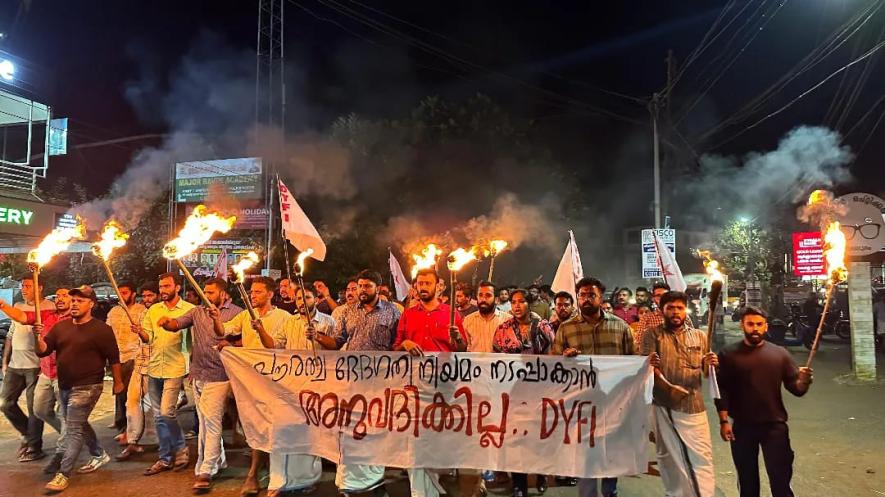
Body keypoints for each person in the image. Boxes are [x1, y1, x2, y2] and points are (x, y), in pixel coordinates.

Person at [715, 306, 813, 497]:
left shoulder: (780, 354)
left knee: (781, 479)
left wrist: (805, 381)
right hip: (742, 428)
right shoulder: (728, 354)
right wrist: (724, 421)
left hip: (774, 427)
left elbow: (797, 389)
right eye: (750, 324)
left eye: (759, 324)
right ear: (742, 325)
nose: (755, 328)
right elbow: (721, 390)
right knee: (747, 481)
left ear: (766, 326)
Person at [34, 285, 124, 492]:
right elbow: (43, 351)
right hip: (65, 384)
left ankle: (63, 474)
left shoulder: (102, 329)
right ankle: (99, 453)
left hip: (89, 385)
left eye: (80, 300)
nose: (74, 303)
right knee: (78, 423)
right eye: (73, 300)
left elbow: (114, 358)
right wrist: (36, 337)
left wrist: (118, 383)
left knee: (73, 428)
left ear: (91, 304)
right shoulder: (60, 327)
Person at [156, 278, 242, 492]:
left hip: (221, 375)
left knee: (212, 423)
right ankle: (218, 461)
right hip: (199, 374)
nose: (206, 295)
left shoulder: (237, 313)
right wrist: (167, 322)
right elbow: (177, 324)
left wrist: (229, 343)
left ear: (223, 294)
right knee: (204, 423)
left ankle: (206, 469)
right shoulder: (197, 311)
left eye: (211, 292)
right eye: (204, 291)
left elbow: (245, 339)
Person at [552, 277, 633, 497]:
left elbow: (633, 362)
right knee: (585, 456)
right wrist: (564, 358)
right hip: (581, 405)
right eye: (582, 295)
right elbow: (553, 365)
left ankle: (610, 493)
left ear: (601, 297)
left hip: (613, 403)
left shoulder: (620, 327)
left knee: (609, 454)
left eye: (591, 295)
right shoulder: (566, 329)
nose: (586, 299)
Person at [394, 268, 468, 497]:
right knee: (415, 436)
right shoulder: (408, 314)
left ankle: (439, 482)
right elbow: (395, 347)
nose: (423, 287)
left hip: (444, 386)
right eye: (419, 283)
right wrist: (405, 343)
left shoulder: (452, 313)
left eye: (428, 283)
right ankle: (419, 490)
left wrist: (457, 339)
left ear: (438, 286)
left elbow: (462, 350)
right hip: (415, 386)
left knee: (440, 434)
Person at [213, 276, 290, 496]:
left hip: (275, 382)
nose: (251, 295)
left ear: (270, 294)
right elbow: (222, 332)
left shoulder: (284, 317)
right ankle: (254, 474)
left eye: (257, 292)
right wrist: (216, 319)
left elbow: (273, 347)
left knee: (274, 428)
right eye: (251, 292)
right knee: (256, 427)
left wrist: (261, 330)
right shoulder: (245, 315)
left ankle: (270, 476)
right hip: (250, 382)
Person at [331, 269, 400, 494]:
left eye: (367, 286)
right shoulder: (346, 312)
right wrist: (317, 336)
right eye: (359, 286)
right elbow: (336, 342)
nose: (362, 290)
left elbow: (397, 345)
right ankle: (347, 482)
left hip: (380, 382)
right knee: (349, 428)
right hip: (350, 380)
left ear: (378, 289)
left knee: (376, 429)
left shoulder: (393, 312)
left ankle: (375, 480)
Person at [642, 291, 716, 497]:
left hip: (694, 406)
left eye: (680, 308)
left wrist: (710, 365)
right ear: (662, 310)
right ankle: (675, 494)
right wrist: (668, 388)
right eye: (671, 308)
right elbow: (648, 367)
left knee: (701, 457)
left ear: (686, 310)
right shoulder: (652, 334)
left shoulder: (700, 336)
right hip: (663, 407)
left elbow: (706, 373)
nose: (676, 312)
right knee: (668, 457)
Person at [266, 285, 334, 496]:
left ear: (315, 298)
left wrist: (319, 337)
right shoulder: (288, 321)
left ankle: (307, 478)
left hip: (318, 385)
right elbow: (274, 346)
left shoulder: (327, 321)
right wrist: (260, 329)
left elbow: (336, 348)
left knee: (311, 431)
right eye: (298, 297)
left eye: (307, 296)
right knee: (283, 428)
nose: (302, 300)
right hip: (290, 384)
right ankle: (279, 480)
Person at [131, 272, 195, 476]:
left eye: (167, 286)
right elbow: (149, 338)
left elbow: (194, 341)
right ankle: (165, 457)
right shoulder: (154, 309)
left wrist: (193, 366)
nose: (163, 290)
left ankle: (181, 449)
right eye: (161, 287)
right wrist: (140, 332)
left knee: (167, 412)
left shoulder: (189, 310)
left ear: (177, 287)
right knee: (159, 416)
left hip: (176, 367)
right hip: (154, 367)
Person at [1, 287, 70, 473]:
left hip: (62, 374)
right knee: (37, 409)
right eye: (59, 295)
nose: (60, 299)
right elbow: (22, 318)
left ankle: (61, 452)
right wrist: (3, 305)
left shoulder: (75, 320)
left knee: (64, 414)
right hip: (44, 371)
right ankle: (66, 437)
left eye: (66, 296)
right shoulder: (47, 315)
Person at [493, 288, 555, 497]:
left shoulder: (543, 327)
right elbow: (496, 357)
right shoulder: (503, 328)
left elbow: (553, 355)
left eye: (521, 301)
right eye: (513, 302)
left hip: (540, 390)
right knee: (516, 436)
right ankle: (519, 483)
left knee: (539, 436)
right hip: (513, 392)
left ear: (529, 304)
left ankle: (541, 474)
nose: (516, 306)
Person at [0, 275, 54, 463]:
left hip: (35, 366)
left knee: (34, 409)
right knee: (5, 403)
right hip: (16, 365)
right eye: (23, 285)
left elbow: (32, 325)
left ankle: (34, 446)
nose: (24, 289)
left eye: (28, 286)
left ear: (40, 287)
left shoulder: (48, 308)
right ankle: (27, 434)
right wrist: (5, 360)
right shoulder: (18, 306)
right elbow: (11, 334)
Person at [116, 283, 156, 462]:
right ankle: (132, 440)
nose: (147, 299)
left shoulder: (162, 312)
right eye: (145, 296)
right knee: (132, 402)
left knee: (156, 406)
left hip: (160, 365)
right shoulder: (142, 313)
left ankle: (163, 442)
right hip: (140, 363)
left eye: (150, 296)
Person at [106, 281, 146, 442]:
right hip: (116, 357)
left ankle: (131, 430)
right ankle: (122, 425)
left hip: (134, 357)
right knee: (119, 391)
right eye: (119, 293)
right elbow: (107, 332)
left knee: (131, 396)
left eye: (125, 292)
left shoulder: (142, 311)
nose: (122, 296)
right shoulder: (114, 311)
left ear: (133, 294)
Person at [636, 282, 694, 350]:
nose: (662, 298)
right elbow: (639, 342)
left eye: (664, 295)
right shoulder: (646, 318)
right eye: (658, 295)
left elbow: (692, 338)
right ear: (653, 298)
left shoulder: (683, 317)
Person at [462, 281, 511, 353]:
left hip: (499, 363)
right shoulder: (468, 320)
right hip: (475, 363)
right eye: (480, 295)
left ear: (496, 300)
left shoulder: (508, 320)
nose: (483, 299)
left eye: (488, 295)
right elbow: (467, 347)